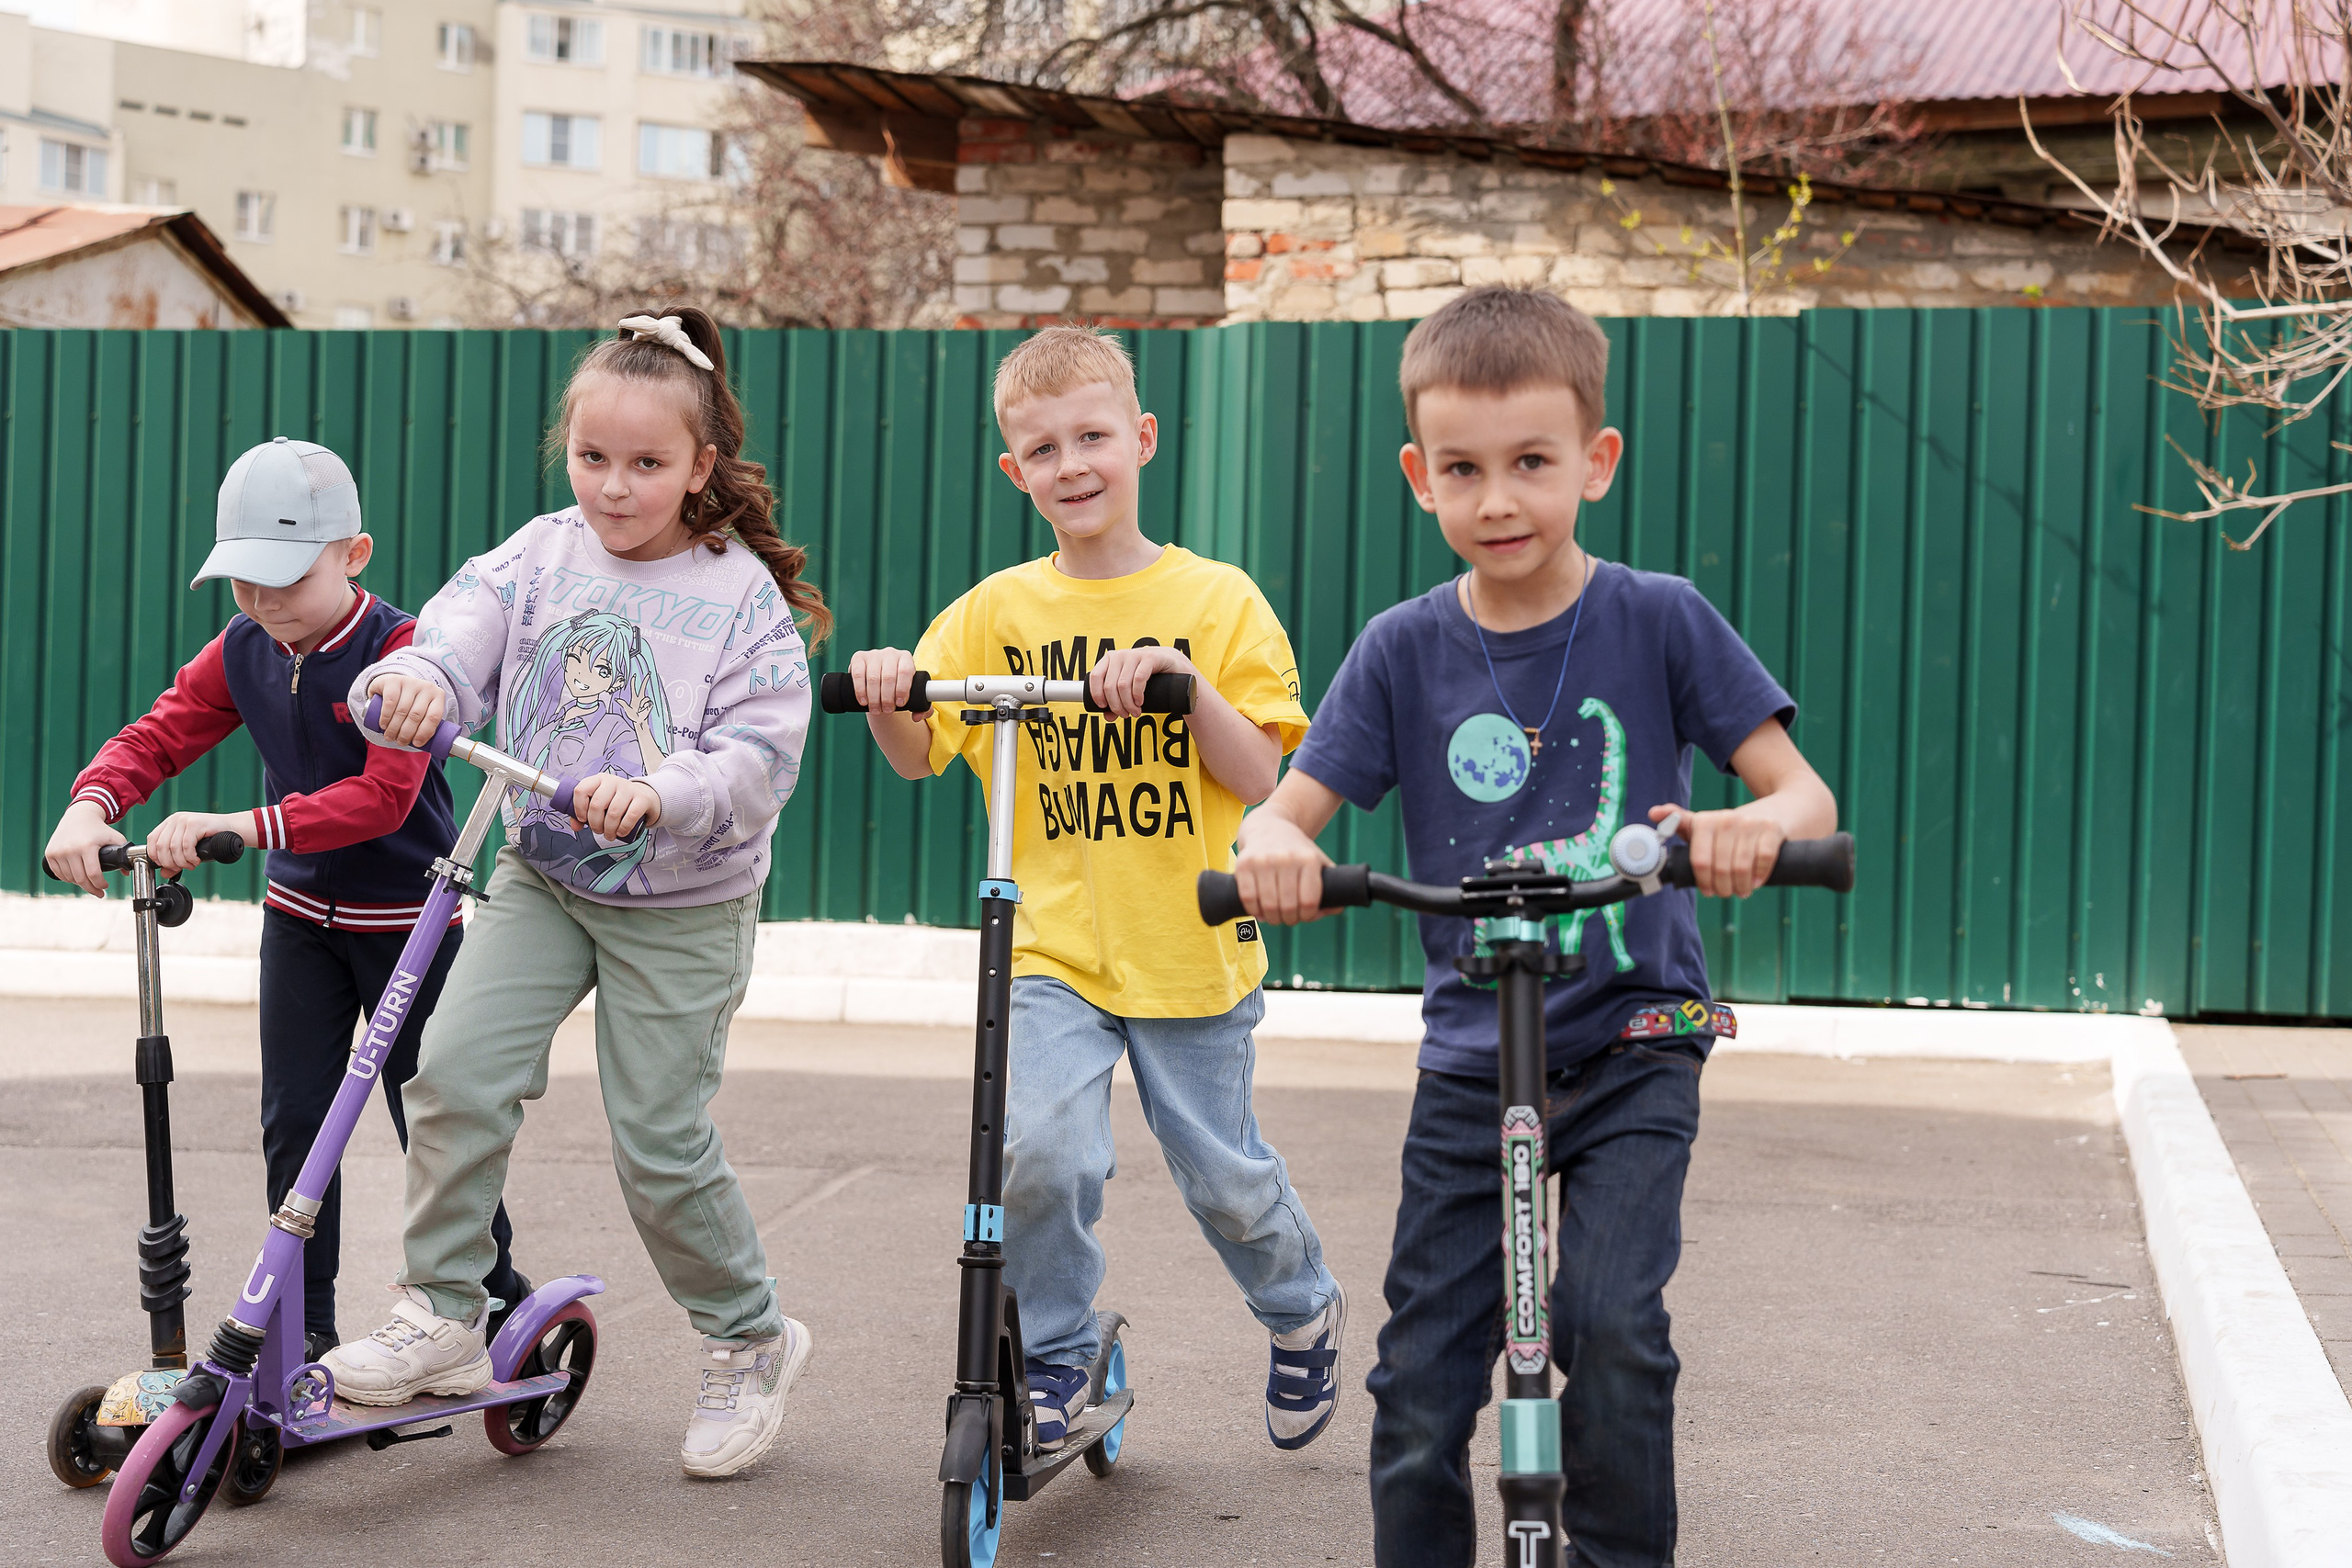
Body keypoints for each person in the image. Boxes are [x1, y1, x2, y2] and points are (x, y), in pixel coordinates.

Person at [1232, 287, 1838, 1567]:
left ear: (1594, 463)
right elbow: (1280, 817)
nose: (1497, 498)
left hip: (1636, 1042)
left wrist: (1749, 830)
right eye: (1463, 468)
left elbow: (1799, 791)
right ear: (1420, 476)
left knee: (1611, 1324)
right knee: (1414, 1397)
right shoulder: (1401, 649)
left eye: (1530, 464)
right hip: (1471, 1069)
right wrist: (1277, 851)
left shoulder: (1659, 617)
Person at [322, 307, 827, 1481]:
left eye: (647, 464)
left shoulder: (736, 596)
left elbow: (761, 756)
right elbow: (457, 631)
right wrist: (413, 678)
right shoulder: (541, 552)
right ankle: (445, 1310)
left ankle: (749, 1336)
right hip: (541, 873)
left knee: (657, 1141)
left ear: (700, 467)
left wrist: (662, 793)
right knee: (448, 1071)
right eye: (594, 458)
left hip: (684, 907)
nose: (613, 487)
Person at [846, 325, 1348, 1454]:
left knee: (1223, 1177)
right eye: (1042, 446)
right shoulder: (996, 613)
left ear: (1142, 440)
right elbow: (920, 751)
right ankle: (1059, 1354)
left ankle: (1300, 1308)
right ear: (1012, 470)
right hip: (1049, 949)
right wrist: (887, 690)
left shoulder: (1215, 602)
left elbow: (1267, 776)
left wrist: (1180, 686)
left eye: (1092, 436)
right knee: (1036, 1152)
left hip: (1189, 940)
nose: (1071, 463)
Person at [43, 437, 530, 1366]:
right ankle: (302, 1336)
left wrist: (247, 823)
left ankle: (491, 1296)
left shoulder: (402, 655)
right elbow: (161, 732)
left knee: (431, 1124)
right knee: (295, 1129)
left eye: (285, 578)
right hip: (301, 924)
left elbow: (384, 797)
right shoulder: (245, 648)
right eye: (243, 582)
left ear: (354, 555)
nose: (265, 603)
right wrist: (91, 803)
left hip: (409, 927)